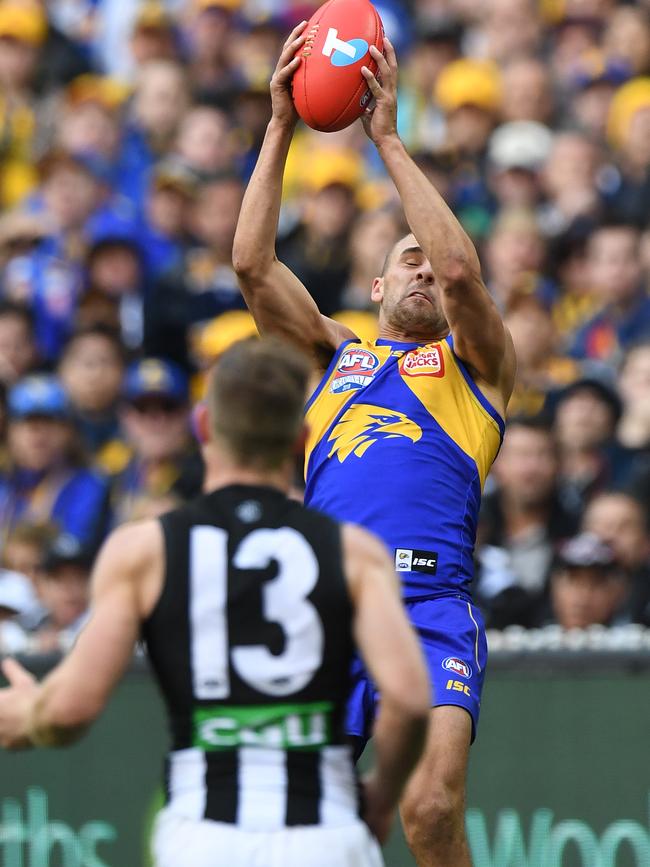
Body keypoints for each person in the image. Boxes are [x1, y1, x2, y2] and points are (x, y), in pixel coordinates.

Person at [232, 25, 516, 867]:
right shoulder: (332, 358)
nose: (427, 270)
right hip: (329, 611)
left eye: (433, 259)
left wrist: (385, 138)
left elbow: (466, 276)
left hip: (429, 607)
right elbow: (251, 264)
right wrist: (280, 123)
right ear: (376, 286)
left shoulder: (477, 368)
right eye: (408, 259)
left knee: (428, 811)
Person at [0, 338, 430, 867]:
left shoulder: (144, 550)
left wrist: (28, 716)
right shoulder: (355, 553)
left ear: (202, 427)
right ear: (300, 439)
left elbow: (71, 709)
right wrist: (382, 799)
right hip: (328, 832)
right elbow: (409, 701)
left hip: (205, 837)